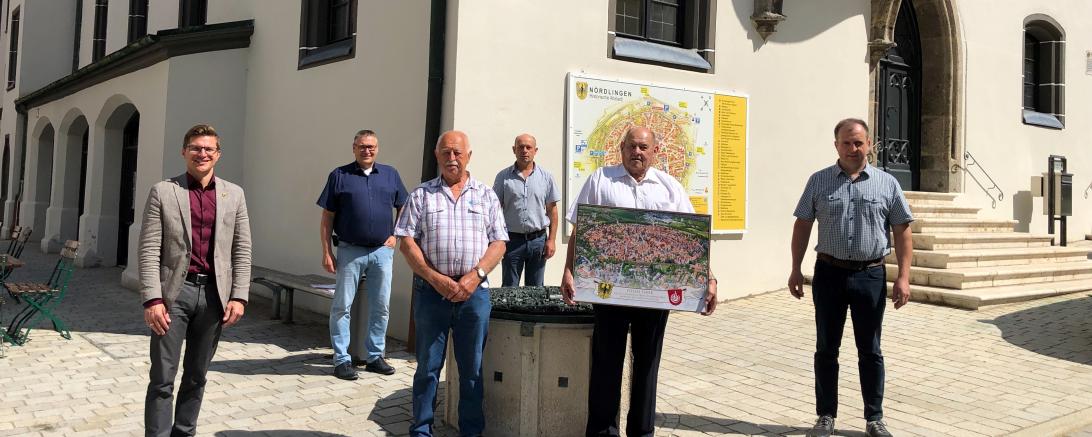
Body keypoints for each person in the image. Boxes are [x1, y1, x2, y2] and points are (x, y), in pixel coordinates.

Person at [561, 126, 718, 437]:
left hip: (656, 294)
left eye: (644, 147)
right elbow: (580, 230)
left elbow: (692, 240)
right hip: (608, 290)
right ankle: (603, 431)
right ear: (622, 148)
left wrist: (709, 278)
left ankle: (642, 431)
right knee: (607, 362)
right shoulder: (600, 180)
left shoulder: (670, 187)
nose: (637, 152)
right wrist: (568, 270)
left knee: (647, 363)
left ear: (654, 151)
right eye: (632, 146)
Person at [787, 118, 913, 437]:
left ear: (869, 144)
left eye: (859, 142)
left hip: (870, 275)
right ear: (836, 146)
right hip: (829, 274)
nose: (853, 148)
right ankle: (825, 416)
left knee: (870, 350)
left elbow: (902, 230)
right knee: (826, 348)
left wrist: (904, 277)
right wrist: (795, 268)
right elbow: (802, 224)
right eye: (846, 142)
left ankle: (875, 418)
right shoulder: (819, 181)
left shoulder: (887, 184)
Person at [139, 124, 252, 437]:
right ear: (184, 151)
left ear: (217, 154)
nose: (202, 154)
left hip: (215, 296)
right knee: (163, 377)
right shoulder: (164, 191)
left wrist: (239, 296)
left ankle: (184, 432)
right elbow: (148, 249)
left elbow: (242, 248)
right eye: (195, 148)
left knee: (197, 375)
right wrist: (152, 299)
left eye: (208, 149)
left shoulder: (234, 194)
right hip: (175, 294)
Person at [395, 130, 507, 437]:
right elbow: (406, 240)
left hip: (474, 295)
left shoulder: (486, 195)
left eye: (458, 152)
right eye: (446, 152)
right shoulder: (421, 195)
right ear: (437, 156)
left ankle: (470, 432)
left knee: (472, 371)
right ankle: (421, 430)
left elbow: (499, 242)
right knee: (428, 368)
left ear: (469, 155)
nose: (452, 158)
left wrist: (476, 276)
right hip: (432, 294)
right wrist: (434, 277)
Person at [317, 129, 408, 380]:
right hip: (349, 251)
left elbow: (404, 206)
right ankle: (341, 359)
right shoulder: (339, 175)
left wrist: (396, 235)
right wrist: (326, 251)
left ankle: (375, 356)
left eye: (371, 147)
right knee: (341, 307)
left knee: (381, 306)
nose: (367, 150)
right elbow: (327, 217)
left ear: (377, 148)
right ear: (354, 148)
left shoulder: (390, 175)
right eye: (362, 146)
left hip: (382, 252)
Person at [492, 133, 560, 287]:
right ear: (514, 149)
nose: (524, 150)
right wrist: (496, 241)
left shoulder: (546, 177)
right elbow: (495, 210)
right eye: (520, 147)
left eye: (528, 147)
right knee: (509, 289)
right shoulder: (503, 177)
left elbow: (552, 211)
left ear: (535, 151)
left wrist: (552, 240)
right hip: (512, 242)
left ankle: (534, 313)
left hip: (538, 242)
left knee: (536, 288)